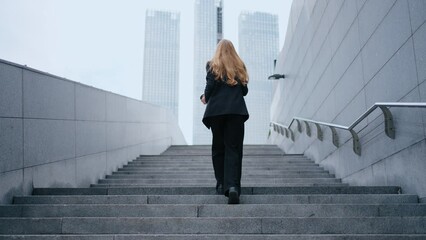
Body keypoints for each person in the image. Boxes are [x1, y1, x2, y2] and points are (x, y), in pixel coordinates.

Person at [200, 39, 249, 204]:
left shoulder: (212, 65)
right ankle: (233, 187)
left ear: (218, 51)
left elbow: (210, 87)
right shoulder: (239, 66)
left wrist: (204, 98)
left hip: (216, 113)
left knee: (218, 149)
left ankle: (221, 183)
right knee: (233, 149)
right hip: (236, 112)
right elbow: (244, 91)